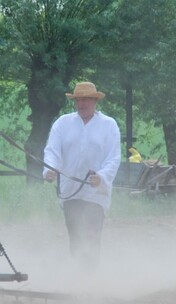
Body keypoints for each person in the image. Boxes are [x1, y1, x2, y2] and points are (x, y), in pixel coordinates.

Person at [43, 81, 121, 266]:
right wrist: (49, 169)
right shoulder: (62, 124)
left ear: (95, 101)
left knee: (92, 234)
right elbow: (52, 151)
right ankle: (79, 274)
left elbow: (114, 158)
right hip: (70, 192)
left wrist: (101, 177)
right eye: (78, 100)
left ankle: (89, 278)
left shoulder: (109, 125)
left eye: (86, 99)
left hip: (96, 193)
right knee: (75, 235)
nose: (81, 104)